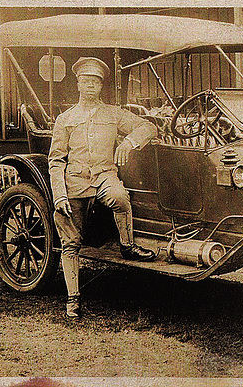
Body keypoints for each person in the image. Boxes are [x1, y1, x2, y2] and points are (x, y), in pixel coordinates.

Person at [48, 57, 158, 318]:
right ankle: (73, 298)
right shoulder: (65, 119)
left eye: (95, 82)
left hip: (104, 177)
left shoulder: (112, 113)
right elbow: (55, 161)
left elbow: (148, 126)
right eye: (86, 81)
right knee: (71, 241)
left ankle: (127, 245)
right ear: (77, 84)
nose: (90, 86)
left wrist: (128, 142)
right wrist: (59, 195)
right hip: (74, 182)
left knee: (120, 196)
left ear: (101, 86)